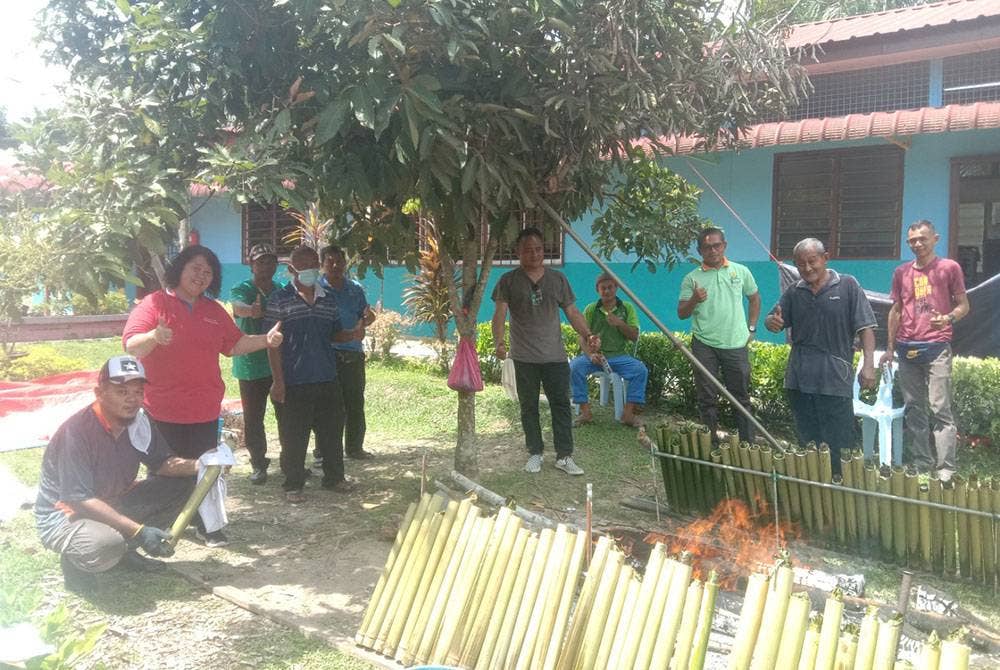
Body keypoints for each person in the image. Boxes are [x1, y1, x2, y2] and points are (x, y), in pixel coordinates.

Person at [123, 244, 283, 545]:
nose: (201, 275)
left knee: (206, 471)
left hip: (204, 409)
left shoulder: (213, 310)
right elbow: (132, 345)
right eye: (195, 268)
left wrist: (266, 340)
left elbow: (234, 344)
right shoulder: (154, 304)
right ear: (180, 269)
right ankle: (159, 525)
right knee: (165, 471)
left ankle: (207, 525)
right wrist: (154, 336)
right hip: (162, 409)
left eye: (208, 272)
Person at [35, 355, 197, 592]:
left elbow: (163, 463)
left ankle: (125, 552)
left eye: (138, 392)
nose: (132, 399)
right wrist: (139, 531)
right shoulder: (77, 432)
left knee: (181, 484)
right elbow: (79, 499)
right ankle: (76, 564)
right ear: (99, 393)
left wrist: (201, 465)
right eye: (122, 391)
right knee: (106, 544)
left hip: (111, 501)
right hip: (66, 514)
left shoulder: (138, 421)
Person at [491, 227, 600, 476]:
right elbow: (499, 313)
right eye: (528, 250)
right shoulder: (508, 280)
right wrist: (499, 342)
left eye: (538, 249)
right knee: (528, 406)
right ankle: (535, 453)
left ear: (544, 250)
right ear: (518, 252)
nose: (534, 254)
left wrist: (588, 335)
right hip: (523, 357)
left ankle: (564, 456)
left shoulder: (558, 279)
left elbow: (572, 312)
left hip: (555, 357)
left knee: (560, 405)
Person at [765, 238, 877, 474]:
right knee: (808, 442)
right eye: (801, 264)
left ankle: (840, 487)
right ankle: (814, 488)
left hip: (835, 379)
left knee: (840, 444)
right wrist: (771, 323)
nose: (807, 268)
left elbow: (866, 328)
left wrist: (869, 365)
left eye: (812, 261)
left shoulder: (847, 285)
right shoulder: (794, 291)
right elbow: (773, 319)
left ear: (825, 257)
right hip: (799, 380)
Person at [881, 220, 970, 481]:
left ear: (935, 238)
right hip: (907, 348)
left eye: (923, 238)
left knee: (940, 408)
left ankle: (946, 468)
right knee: (914, 408)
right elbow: (896, 310)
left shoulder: (949, 268)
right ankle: (922, 463)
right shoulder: (901, 272)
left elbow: (964, 305)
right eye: (912, 241)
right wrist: (889, 348)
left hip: (937, 347)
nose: (918, 244)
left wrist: (949, 318)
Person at [264, 245, 351, 503]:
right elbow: (271, 344)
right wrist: (278, 381)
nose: (310, 269)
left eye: (314, 264)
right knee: (294, 436)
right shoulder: (279, 299)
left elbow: (334, 333)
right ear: (292, 269)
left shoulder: (328, 299)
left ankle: (334, 478)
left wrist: (353, 334)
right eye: (303, 265)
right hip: (294, 380)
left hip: (327, 376)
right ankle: (293, 484)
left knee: (332, 432)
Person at [677, 227, 761, 445]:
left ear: (724, 246)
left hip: (736, 344)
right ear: (699, 251)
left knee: (741, 397)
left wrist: (752, 328)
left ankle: (747, 446)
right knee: (706, 397)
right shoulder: (691, 278)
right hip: (704, 345)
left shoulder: (741, 271)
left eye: (716, 245)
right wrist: (694, 299)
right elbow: (682, 313)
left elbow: (754, 298)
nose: (712, 250)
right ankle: (711, 444)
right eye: (707, 247)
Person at [230, 243, 284, 484]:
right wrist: (251, 311)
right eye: (261, 261)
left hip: (279, 365)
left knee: (287, 415)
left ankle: (290, 462)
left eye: (270, 261)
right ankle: (258, 464)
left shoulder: (281, 290)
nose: (266, 266)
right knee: (254, 419)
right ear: (251, 265)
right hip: (251, 366)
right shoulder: (242, 288)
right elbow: (238, 307)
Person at [319, 244, 376, 465]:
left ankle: (354, 448)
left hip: (353, 354)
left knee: (355, 402)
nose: (335, 265)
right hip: (327, 355)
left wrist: (367, 319)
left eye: (339, 261)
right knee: (327, 406)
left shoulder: (355, 289)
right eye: (330, 261)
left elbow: (366, 315)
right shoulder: (316, 289)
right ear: (322, 264)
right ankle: (323, 451)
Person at [570, 273, 648, 427]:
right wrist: (590, 354)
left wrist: (620, 323)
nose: (607, 291)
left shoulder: (627, 308)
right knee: (574, 367)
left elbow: (634, 336)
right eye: (603, 288)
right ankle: (585, 413)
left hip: (619, 356)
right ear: (597, 290)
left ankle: (628, 414)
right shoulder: (591, 309)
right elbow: (582, 338)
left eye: (610, 287)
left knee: (640, 370)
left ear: (616, 288)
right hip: (595, 357)